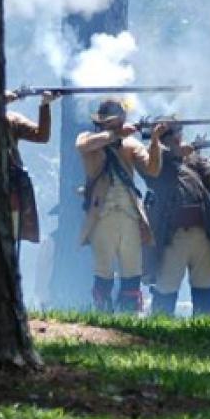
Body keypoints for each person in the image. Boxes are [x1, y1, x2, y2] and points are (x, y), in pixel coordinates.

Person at [76, 99, 165, 313]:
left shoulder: (131, 144)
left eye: (116, 123)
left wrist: (154, 141)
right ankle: (103, 316)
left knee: (131, 270)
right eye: (110, 123)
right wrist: (117, 135)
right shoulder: (88, 139)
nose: (114, 126)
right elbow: (83, 146)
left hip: (130, 215)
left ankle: (128, 317)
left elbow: (152, 170)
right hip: (101, 214)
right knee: (103, 270)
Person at [140, 122, 210, 317]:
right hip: (172, 236)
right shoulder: (155, 159)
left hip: (203, 233)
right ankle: (160, 333)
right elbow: (155, 171)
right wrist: (163, 145)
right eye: (173, 134)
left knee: (205, 287)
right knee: (166, 288)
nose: (178, 137)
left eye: (178, 132)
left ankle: (205, 331)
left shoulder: (192, 159)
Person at [4, 90, 59, 246]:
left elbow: (41, 135)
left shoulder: (11, 120)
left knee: (10, 238)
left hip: (11, 188)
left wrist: (45, 105)